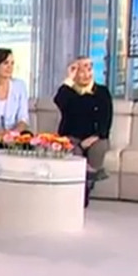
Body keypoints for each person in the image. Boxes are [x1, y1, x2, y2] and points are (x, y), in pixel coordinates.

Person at [54, 55, 113, 189]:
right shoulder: (68, 93)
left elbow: (106, 122)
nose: (87, 74)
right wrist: (69, 79)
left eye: (89, 69)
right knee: (73, 151)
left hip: (96, 138)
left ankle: (87, 185)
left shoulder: (102, 92)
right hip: (71, 137)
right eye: (81, 70)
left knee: (98, 149)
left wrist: (92, 139)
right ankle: (89, 174)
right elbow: (59, 101)